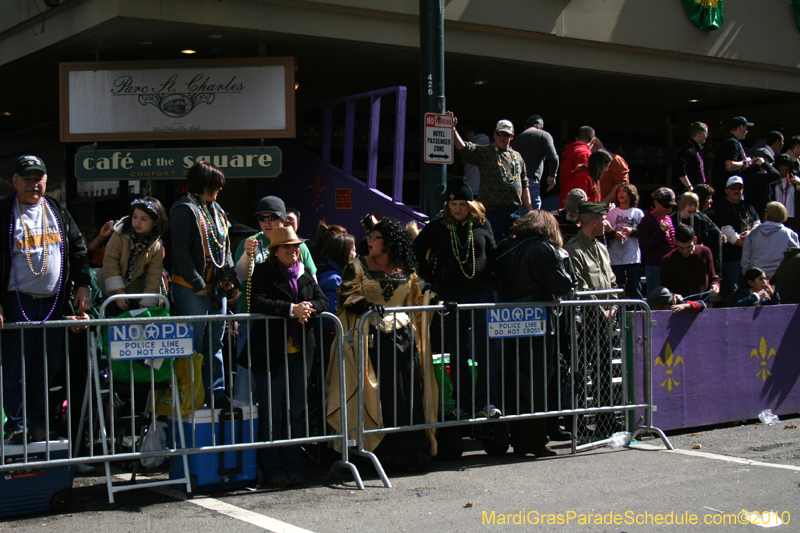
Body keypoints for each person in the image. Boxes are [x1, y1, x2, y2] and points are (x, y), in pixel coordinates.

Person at [326, 217, 437, 469]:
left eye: (375, 237)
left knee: (406, 393)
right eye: (371, 237)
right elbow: (345, 295)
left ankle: (409, 454)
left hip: (404, 337)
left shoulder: (405, 267)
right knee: (380, 393)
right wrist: (365, 304)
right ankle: (377, 453)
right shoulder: (358, 266)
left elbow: (420, 292)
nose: (370, 241)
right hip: (371, 340)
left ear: (389, 243)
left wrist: (439, 299)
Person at [0, 155, 92, 444]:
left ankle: (39, 424)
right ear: (14, 181)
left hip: (52, 301)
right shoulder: (4, 212)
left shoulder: (56, 210)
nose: (33, 184)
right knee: (16, 368)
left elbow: (77, 248)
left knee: (46, 368)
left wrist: (83, 285)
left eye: (38, 178)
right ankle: (16, 425)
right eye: (26, 178)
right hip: (18, 300)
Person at [239, 226, 327, 487]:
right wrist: (292, 309)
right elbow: (258, 301)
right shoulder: (264, 272)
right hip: (271, 355)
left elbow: (324, 301)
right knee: (271, 413)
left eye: (296, 246)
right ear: (275, 251)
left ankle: (294, 466)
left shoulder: (306, 273)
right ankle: (273, 468)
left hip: (300, 354)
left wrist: (309, 308)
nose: (294, 251)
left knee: (296, 412)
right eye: (287, 247)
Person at [412, 177, 498, 419]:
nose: (458, 208)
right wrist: (431, 280)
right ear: (447, 205)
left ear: (470, 204)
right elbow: (416, 251)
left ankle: (487, 402)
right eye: (454, 204)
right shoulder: (438, 226)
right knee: (459, 352)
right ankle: (463, 404)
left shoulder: (481, 224)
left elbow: (492, 255)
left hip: (481, 293)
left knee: (485, 350)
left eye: (462, 204)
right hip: (450, 297)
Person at [495, 210, 575, 457]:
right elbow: (563, 284)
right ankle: (534, 442)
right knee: (536, 383)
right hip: (537, 321)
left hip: (507, 320)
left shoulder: (506, 246)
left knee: (515, 381)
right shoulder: (541, 248)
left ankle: (521, 440)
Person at [233, 196, 317, 402]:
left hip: (286, 329)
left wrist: (303, 308)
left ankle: (281, 433)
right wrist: (246, 255)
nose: (267, 222)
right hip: (252, 323)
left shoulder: (299, 245)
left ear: (283, 219)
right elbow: (241, 277)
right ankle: (249, 433)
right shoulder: (248, 242)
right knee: (246, 386)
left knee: (284, 394)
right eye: (262, 218)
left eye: (272, 217)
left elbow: (312, 282)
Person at [170, 161, 236, 407]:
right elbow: (180, 252)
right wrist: (197, 282)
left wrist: (228, 277)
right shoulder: (184, 210)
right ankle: (194, 393)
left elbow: (225, 246)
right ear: (203, 184)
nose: (219, 190)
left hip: (216, 289)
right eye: (215, 185)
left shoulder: (216, 209)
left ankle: (217, 393)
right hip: (191, 288)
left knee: (215, 342)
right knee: (195, 344)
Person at [450, 112, 533, 242]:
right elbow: (464, 149)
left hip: (515, 213)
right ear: (494, 134)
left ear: (512, 136)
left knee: (514, 249)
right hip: (493, 213)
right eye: (500, 134)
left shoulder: (517, 157)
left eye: (506, 134)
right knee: (496, 249)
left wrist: (530, 211)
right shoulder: (486, 152)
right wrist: (453, 130)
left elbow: (524, 185)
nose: (502, 137)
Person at [97, 197, 168, 314]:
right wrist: (118, 291)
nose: (137, 222)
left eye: (143, 219)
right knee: (111, 327)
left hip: (136, 294)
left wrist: (146, 305)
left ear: (155, 221)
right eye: (134, 217)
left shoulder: (156, 245)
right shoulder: (120, 233)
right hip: (109, 291)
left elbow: (154, 276)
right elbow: (110, 262)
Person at [712, 176, 761, 306]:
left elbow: (757, 223)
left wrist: (751, 234)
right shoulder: (723, 208)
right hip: (732, 258)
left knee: (748, 291)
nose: (736, 190)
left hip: (750, 257)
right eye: (733, 188)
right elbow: (728, 233)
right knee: (732, 292)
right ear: (727, 190)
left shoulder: (747, 205)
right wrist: (748, 243)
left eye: (739, 188)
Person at [565, 201, 617, 296]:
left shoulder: (602, 248)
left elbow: (612, 282)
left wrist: (613, 307)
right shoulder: (573, 249)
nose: (606, 224)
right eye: (603, 220)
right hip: (587, 310)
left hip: (609, 309)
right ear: (594, 222)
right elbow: (580, 286)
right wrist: (600, 310)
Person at [659, 226, 720, 305]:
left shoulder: (705, 253)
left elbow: (713, 278)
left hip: (701, 306)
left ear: (695, 240)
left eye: (689, 247)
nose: (685, 252)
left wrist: (715, 286)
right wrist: (672, 295)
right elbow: (665, 290)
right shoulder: (667, 260)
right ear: (675, 241)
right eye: (681, 248)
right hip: (679, 307)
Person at [511, 114, 559, 211]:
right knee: (533, 219)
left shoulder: (515, 140)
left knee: (517, 217)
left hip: (514, 183)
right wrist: (552, 176)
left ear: (525, 127)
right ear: (541, 127)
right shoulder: (544, 135)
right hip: (530, 182)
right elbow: (553, 158)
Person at [606, 183, 644, 299]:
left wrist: (632, 231)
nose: (620, 193)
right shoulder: (612, 213)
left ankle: (637, 313)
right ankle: (618, 314)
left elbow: (643, 232)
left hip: (632, 257)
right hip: (615, 257)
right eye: (619, 191)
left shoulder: (637, 212)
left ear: (631, 195)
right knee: (618, 288)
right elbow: (605, 232)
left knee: (635, 287)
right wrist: (614, 234)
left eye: (624, 191)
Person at [670, 192, 722, 276]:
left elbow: (706, 236)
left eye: (695, 205)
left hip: (694, 255)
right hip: (677, 255)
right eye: (690, 205)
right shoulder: (672, 218)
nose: (692, 208)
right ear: (683, 204)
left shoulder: (699, 219)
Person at [740, 202, 799, 277]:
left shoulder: (753, 234)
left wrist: (749, 276)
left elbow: (745, 259)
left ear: (766, 214)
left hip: (756, 278)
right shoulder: (789, 234)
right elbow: (796, 257)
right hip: (781, 276)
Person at [637, 187, 677, 297]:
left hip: (669, 266)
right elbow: (644, 247)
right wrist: (661, 231)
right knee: (656, 300)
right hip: (655, 267)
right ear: (656, 203)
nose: (668, 209)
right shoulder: (647, 220)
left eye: (671, 206)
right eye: (665, 206)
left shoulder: (668, 219)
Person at [714, 116, 754, 195]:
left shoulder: (727, 140)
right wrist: (746, 163)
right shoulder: (732, 142)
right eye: (746, 128)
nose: (747, 131)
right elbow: (729, 166)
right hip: (730, 190)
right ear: (741, 128)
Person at [558, 126, 596, 209]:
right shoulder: (584, 154)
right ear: (593, 141)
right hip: (576, 209)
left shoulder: (570, 152)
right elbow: (582, 183)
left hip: (566, 201)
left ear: (576, 138)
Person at [741, 147, 779, 218]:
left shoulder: (755, 172)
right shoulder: (754, 174)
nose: (769, 164)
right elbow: (776, 174)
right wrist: (764, 164)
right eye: (767, 161)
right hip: (757, 211)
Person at [674, 121, 709, 191]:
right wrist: (689, 187)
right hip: (689, 192)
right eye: (706, 133)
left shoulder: (696, 149)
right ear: (700, 133)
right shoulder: (688, 149)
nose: (707, 136)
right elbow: (679, 168)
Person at [593, 139, 630, 203]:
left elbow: (622, 184)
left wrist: (604, 203)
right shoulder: (591, 161)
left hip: (611, 208)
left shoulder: (615, 160)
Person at [772, 154, 800, 231]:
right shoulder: (773, 182)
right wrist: (770, 183)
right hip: (776, 217)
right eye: (781, 170)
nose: (784, 173)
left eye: (787, 170)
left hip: (792, 217)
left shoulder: (795, 180)